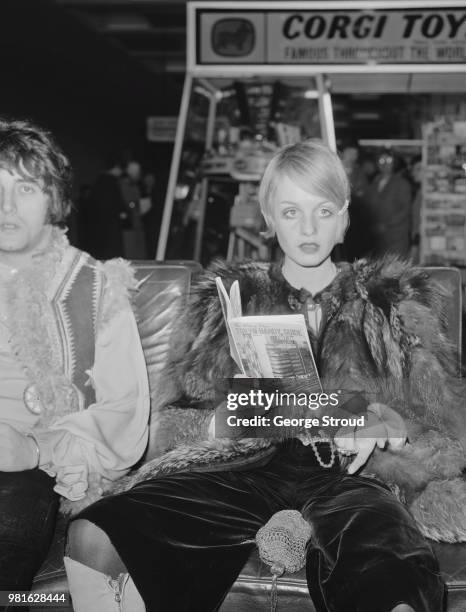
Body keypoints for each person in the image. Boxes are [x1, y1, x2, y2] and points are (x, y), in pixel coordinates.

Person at [64, 140, 466, 612]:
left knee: (393, 577)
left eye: (323, 210)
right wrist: (230, 414)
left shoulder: (395, 302)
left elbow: (443, 431)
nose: (309, 228)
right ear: (270, 220)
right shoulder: (227, 298)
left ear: (344, 217)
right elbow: (178, 420)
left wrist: (383, 422)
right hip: (243, 464)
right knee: (95, 534)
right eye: (291, 212)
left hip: (357, 475)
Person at [0, 118, 150, 600]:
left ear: (54, 198)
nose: (5, 206)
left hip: (33, 472)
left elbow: (124, 414)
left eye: (24, 188)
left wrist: (37, 451)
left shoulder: (95, 289)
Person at [363, 150, 412, 257]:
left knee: (396, 269)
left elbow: (405, 210)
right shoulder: (373, 183)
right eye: (381, 160)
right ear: (377, 164)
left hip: (396, 237)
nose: (385, 164)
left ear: (394, 163)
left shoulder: (402, 183)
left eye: (388, 160)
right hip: (377, 238)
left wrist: (386, 225)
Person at [81, 153, 129, 260]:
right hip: (111, 227)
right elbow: (117, 205)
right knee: (112, 256)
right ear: (116, 168)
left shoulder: (98, 182)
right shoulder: (111, 182)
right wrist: (124, 213)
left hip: (98, 229)